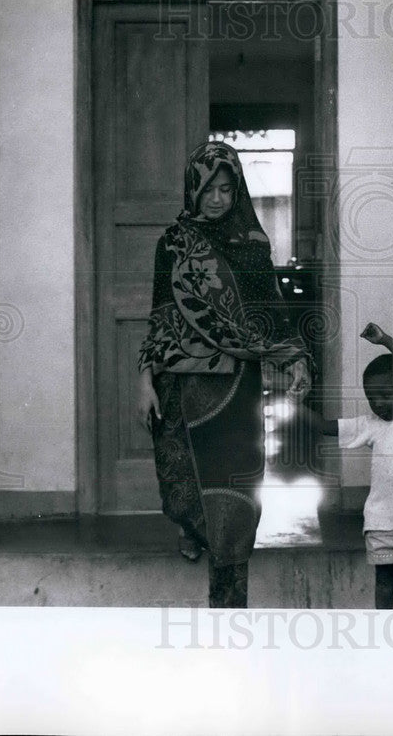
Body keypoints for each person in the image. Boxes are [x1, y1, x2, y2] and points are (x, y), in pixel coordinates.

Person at [135, 140, 312, 608]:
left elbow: (270, 310)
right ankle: (194, 530)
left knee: (234, 484)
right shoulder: (172, 244)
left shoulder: (252, 246)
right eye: (208, 188)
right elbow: (160, 316)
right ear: (193, 190)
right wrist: (145, 379)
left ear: (238, 192)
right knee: (184, 478)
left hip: (235, 381)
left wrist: (292, 356)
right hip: (180, 378)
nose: (217, 199)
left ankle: (229, 595)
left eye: (226, 189)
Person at [306, 322, 393, 610]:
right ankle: (382, 630)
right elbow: (324, 427)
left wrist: (385, 340)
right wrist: (291, 403)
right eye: (371, 397)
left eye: (385, 395)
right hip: (381, 522)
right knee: (385, 581)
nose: (377, 403)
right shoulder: (370, 426)